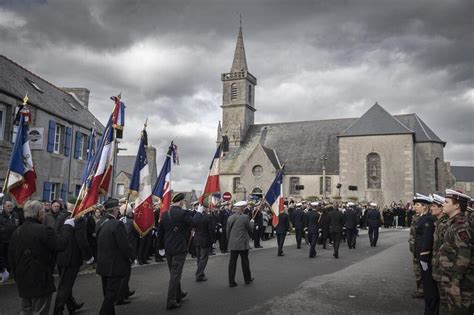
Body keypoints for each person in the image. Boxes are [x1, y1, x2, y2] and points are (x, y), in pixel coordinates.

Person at [8, 200, 70, 315]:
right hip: (41, 277)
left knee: (26, 310)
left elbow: (11, 258)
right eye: (43, 212)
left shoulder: (16, 231)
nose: (44, 214)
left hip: (23, 278)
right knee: (40, 310)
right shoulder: (44, 230)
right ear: (39, 214)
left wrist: (17, 276)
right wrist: (67, 226)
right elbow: (61, 244)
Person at [95, 198, 135, 315]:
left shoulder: (100, 223)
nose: (118, 211)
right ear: (115, 210)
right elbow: (124, 245)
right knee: (111, 294)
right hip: (114, 264)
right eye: (118, 209)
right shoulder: (117, 224)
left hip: (103, 263)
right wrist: (132, 257)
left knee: (107, 292)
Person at [157, 193, 194, 310]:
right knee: (175, 274)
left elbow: (160, 233)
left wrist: (160, 247)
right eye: (184, 201)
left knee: (174, 273)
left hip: (168, 248)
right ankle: (171, 300)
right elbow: (194, 223)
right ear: (181, 202)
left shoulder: (164, 214)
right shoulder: (183, 213)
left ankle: (178, 294)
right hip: (179, 248)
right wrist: (197, 212)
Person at [438, 189, 473, 315]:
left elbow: (464, 255)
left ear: (457, 205)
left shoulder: (461, 226)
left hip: (460, 283)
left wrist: (456, 282)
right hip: (450, 277)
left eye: (446, 202)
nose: (443, 204)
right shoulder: (452, 223)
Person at [413, 193, 438, 315]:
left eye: (417, 205)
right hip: (421, 256)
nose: (415, 207)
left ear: (424, 206)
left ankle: (431, 311)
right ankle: (429, 309)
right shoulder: (422, 218)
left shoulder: (428, 219)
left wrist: (423, 256)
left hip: (425, 257)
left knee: (429, 287)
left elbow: (427, 239)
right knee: (427, 285)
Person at [227, 201, 254, 287]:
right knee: (245, 262)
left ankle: (231, 281)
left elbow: (227, 231)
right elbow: (250, 229)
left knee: (232, 263)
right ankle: (247, 279)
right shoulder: (246, 217)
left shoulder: (230, 218)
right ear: (242, 208)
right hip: (243, 244)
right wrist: (252, 223)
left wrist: (230, 240)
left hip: (233, 243)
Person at [429, 193, 449, 314]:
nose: (431, 208)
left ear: (441, 208)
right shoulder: (439, 223)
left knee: (446, 301)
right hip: (439, 267)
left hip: (445, 270)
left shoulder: (444, 225)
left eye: (434, 206)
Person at [193, 201, 216, 282]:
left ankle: (201, 273)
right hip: (205, 239)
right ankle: (199, 275)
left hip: (197, 239)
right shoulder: (208, 217)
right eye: (207, 208)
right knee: (203, 258)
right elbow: (211, 230)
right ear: (205, 208)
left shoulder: (196, 216)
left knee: (199, 258)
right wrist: (213, 239)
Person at [0, 201, 19, 283]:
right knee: (3, 256)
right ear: (4, 207)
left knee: (11, 256)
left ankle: (10, 271)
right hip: (3, 240)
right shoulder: (1, 216)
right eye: (8, 206)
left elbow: (18, 225)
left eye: (11, 206)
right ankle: (4, 271)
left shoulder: (15, 215)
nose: (10, 207)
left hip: (13, 240)